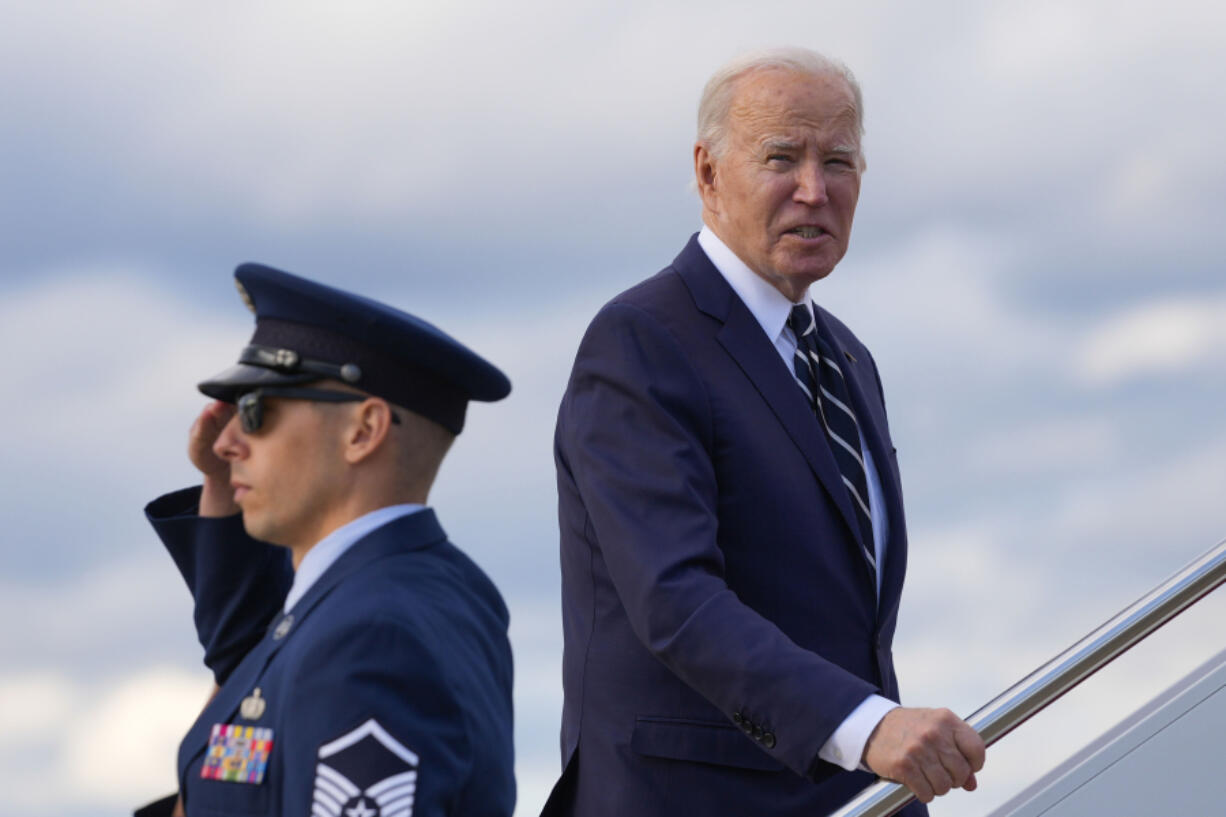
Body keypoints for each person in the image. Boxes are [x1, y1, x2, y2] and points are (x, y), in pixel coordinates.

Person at [541, 48, 985, 817]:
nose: (814, 190)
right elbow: (675, 599)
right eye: (781, 157)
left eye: (839, 161)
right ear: (708, 173)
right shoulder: (641, 341)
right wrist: (867, 725)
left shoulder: (846, 356)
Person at [137, 263, 515, 816]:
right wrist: (222, 490)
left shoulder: (372, 635)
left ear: (363, 431)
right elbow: (252, 656)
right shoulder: (390, 595)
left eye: (257, 410)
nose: (226, 443)